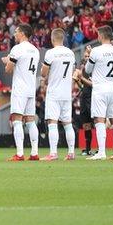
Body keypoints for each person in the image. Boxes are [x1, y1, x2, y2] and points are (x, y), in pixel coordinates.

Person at [83, 26, 113, 160]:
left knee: (99, 119)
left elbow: (88, 70)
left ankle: (101, 152)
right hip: (112, 87)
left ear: (101, 36)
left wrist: (90, 55)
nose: (97, 37)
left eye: (98, 35)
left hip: (100, 89)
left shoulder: (96, 51)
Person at [3, 23, 41, 161]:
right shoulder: (35, 50)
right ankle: (34, 152)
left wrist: (6, 61)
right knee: (31, 120)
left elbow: (8, 69)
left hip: (20, 88)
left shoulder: (17, 49)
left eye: (17, 32)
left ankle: (19, 153)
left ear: (23, 34)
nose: (14, 34)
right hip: (31, 88)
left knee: (17, 120)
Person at [41, 28, 76, 161]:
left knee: (52, 122)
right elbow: (72, 71)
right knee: (67, 123)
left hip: (54, 92)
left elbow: (44, 73)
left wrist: (44, 70)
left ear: (52, 38)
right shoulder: (70, 53)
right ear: (63, 39)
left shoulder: (50, 53)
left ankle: (53, 153)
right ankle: (71, 152)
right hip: (66, 92)